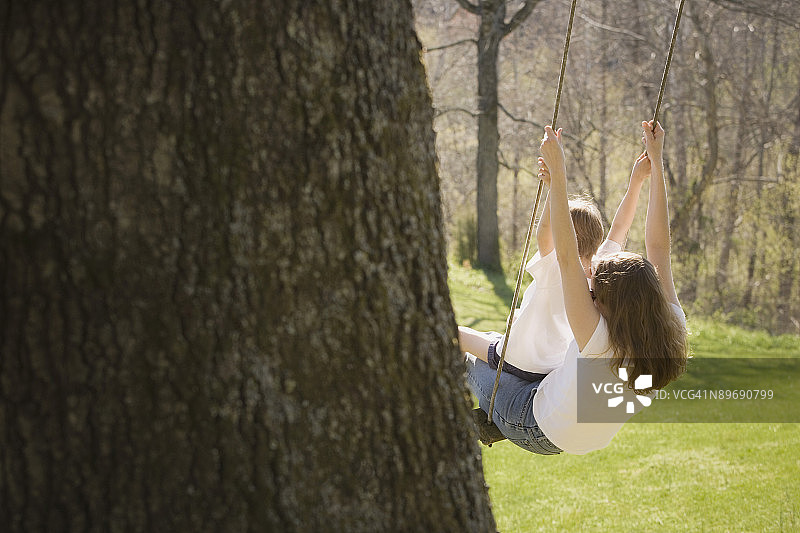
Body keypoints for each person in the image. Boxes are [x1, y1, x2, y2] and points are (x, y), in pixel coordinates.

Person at [462, 121, 688, 455]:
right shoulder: (671, 327)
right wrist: (656, 161)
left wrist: (558, 170)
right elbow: (660, 250)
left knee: (468, 357)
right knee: (505, 351)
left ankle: (486, 417)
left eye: (593, 293)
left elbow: (568, 258)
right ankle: (501, 411)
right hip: (582, 432)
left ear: (611, 306)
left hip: (537, 425)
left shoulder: (599, 342)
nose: (588, 294)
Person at [459, 145, 652, 381]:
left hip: (516, 360)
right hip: (551, 367)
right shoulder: (602, 269)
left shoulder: (558, 267)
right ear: (597, 236)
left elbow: (545, 233)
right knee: (512, 323)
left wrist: (554, 188)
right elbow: (621, 227)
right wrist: (637, 181)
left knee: (457, 334)